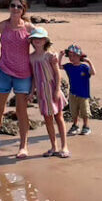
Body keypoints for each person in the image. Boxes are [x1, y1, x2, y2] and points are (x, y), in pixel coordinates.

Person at [0, 0, 33, 159]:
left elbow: (43, 42)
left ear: (23, 9)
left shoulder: (28, 28)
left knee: (21, 111)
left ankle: (23, 145)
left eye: (19, 6)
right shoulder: (2, 26)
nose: (15, 9)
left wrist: (48, 59)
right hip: (4, 72)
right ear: (9, 7)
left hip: (23, 74)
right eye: (13, 5)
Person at [28, 26, 69, 158]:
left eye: (40, 38)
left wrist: (57, 90)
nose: (37, 41)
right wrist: (31, 92)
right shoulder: (31, 57)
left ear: (45, 40)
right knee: (48, 119)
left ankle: (64, 146)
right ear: (32, 41)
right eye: (35, 38)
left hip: (52, 89)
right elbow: (34, 76)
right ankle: (53, 146)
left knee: (59, 117)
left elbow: (57, 74)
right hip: (41, 92)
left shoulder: (50, 55)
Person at [60, 43, 95, 135]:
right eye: (70, 56)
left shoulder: (84, 67)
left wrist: (89, 62)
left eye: (75, 55)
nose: (72, 58)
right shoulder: (69, 66)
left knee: (85, 111)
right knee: (74, 111)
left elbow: (93, 72)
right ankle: (75, 125)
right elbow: (58, 66)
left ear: (80, 56)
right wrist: (60, 56)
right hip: (73, 93)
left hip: (83, 94)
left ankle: (86, 126)